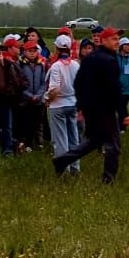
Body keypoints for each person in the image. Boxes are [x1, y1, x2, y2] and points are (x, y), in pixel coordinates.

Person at [55, 26, 123, 182]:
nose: (117, 42)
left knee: (96, 141)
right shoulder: (110, 60)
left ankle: (62, 160)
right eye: (114, 39)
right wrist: (123, 113)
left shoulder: (90, 58)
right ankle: (108, 180)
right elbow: (115, 89)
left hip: (92, 110)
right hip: (105, 110)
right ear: (104, 40)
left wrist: (82, 106)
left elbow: (78, 83)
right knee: (114, 145)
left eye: (118, 39)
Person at [44, 34, 81, 173]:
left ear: (57, 49)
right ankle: (75, 168)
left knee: (60, 140)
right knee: (73, 138)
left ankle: (62, 170)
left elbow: (55, 88)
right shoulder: (76, 65)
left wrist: (46, 98)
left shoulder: (56, 66)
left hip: (58, 105)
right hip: (73, 103)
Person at [17, 40, 47, 150]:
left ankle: (36, 143)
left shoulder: (41, 64)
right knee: (25, 121)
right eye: (30, 51)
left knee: (37, 122)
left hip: (38, 99)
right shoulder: (20, 64)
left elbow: (43, 82)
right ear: (25, 51)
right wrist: (29, 95)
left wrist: (38, 95)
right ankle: (25, 143)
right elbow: (19, 83)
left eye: (34, 51)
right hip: (25, 99)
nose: (32, 53)